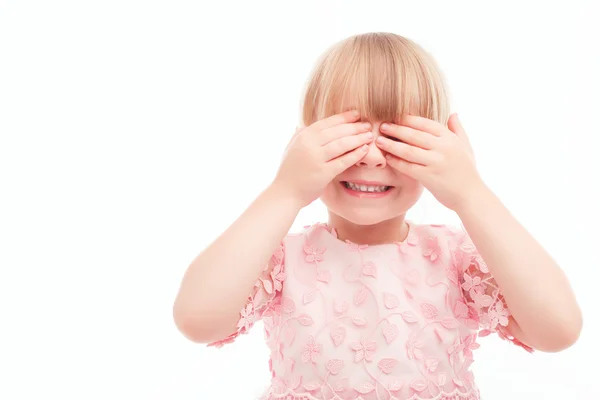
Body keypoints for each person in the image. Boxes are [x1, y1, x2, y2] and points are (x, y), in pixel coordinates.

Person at [172, 32, 582, 400]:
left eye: (397, 138)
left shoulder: (454, 259)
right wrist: (286, 190)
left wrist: (472, 193)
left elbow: (558, 330)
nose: (370, 156)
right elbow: (197, 319)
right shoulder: (283, 261)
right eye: (348, 135)